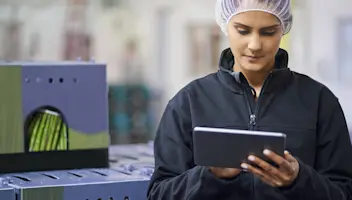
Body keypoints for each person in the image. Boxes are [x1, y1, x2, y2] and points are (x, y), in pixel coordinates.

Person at [147, 0, 352, 199]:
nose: (254, 45)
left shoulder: (319, 101)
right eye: (243, 30)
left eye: (268, 32)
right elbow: (159, 193)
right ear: (225, 26)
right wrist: (209, 175)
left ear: (283, 29)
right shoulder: (189, 102)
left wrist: (299, 179)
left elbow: (344, 192)